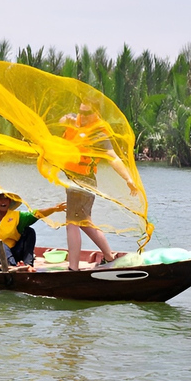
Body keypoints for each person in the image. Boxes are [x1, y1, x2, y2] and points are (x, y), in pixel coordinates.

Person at [60, 101, 138, 270]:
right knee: (84, 222)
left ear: (96, 114)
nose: (83, 116)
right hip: (72, 179)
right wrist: (69, 121)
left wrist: (128, 179)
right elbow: (60, 122)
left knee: (72, 223)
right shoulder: (76, 120)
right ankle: (109, 257)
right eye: (81, 112)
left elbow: (113, 157)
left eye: (87, 113)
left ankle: (73, 268)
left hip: (83, 181)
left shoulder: (99, 134)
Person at [0, 189, 65, 271]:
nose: (3, 202)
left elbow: (36, 214)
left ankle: (28, 265)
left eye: (6, 199)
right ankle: (14, 268)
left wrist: (54, 209)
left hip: (14, 254)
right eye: (0, 199)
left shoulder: (17, 216)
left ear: (10, 202)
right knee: (2, 246)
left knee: (29, 231)